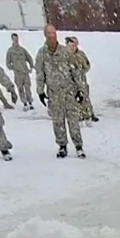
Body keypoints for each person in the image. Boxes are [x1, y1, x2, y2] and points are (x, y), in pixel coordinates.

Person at [35, 24, 86, 158]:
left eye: (54, 33)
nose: (52, 35)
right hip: (54, 94)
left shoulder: (65, 52)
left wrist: (80, 90)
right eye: (49, 33)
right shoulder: (41, 54)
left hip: (69, 92)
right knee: (57, 121)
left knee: (73, 121)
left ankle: (79, 146)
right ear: (45, 35)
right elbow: (40, 73)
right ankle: (62, 146)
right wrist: (40, 91)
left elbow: (75, 72)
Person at [65, 36, 98, 123]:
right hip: (71, 82)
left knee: (85, 97)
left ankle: (90, 113)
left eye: (74, 45)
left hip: (82, 80)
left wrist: (82, 72)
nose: (72, 47)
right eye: (70, 46)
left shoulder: (81, 54)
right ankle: (79, 115)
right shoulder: (65, 56)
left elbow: (87, 65)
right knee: (74, 98)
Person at [6, 33, 34, 110]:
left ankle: (30, 102)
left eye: (17, 38)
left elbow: (29, 58)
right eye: (14, 39)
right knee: (20, 89)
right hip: (18, 74)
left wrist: (31, 66)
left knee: (28, 88)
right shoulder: (10, 51)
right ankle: (24, 103)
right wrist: (13, 68)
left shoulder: (22, 50)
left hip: (25, 72)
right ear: (12, 39)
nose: (16, 40)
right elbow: (8, 63)